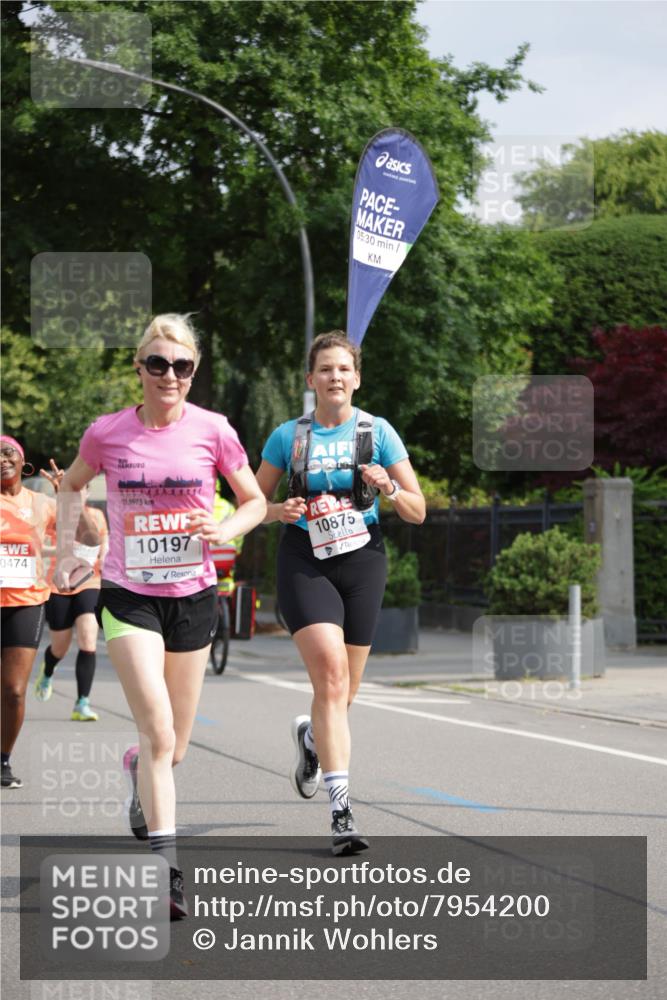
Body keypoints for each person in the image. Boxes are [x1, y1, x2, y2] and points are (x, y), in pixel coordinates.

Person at [53, 313, 266, 918]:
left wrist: (223, 528)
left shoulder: (214, 431)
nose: (169, 375)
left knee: (173, 749)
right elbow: (70, 486)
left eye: (182, 366)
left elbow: (255, 502)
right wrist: (71, 554)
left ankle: (137, 774)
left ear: (193, 372)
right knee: (159, 731)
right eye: (157, 364)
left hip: (195, 597)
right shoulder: (107, 433)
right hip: (129, 596)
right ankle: (166, 872)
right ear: (139, 368)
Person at [256, 330, 425, 855]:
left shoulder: (378, 433)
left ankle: (312, 740)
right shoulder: (288, 437)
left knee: (343, 695)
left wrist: (390, 487)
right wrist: (277, 511)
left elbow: (418, 510)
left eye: (343, 370)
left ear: (357, 379)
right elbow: (249, 505)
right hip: (305, 560)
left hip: (362, 560)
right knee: (330, 676)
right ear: (310, 381)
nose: (335, 377)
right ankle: (342, 812)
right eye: (325, 369)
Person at [1, 436, 55, 789]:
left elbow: (84, 538)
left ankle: (3, 759)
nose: (2, 460)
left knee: (14, 690)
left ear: (23, 462)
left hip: (27, 600)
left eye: (9, 453)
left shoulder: (42, 503)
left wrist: (70, 498)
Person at [35, 464, 109, 721]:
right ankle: (48, 671)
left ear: (87, 493)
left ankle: (82, 703)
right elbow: (38, 546)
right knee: (59, 648)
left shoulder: (97, 517)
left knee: (88, 638)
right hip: (60, 585)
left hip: (89, 581)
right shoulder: (56, 515)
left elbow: (103, 550)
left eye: (82, 490)